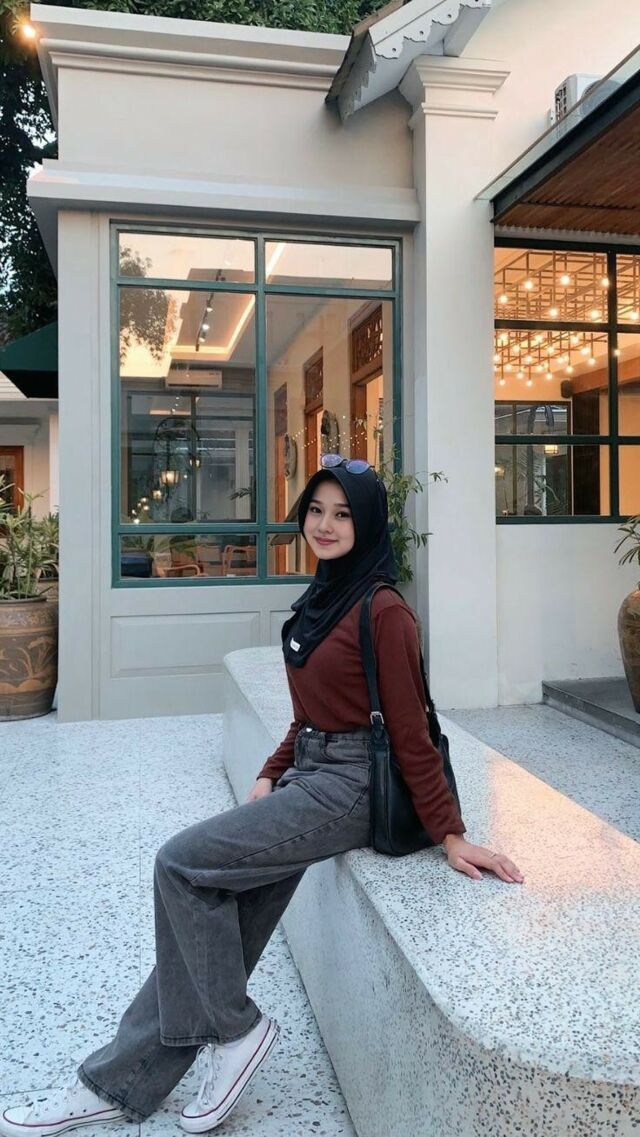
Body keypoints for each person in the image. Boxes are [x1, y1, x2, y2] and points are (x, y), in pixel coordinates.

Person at [0, 457, 523, 1137]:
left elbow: (411, 729)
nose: (326, 525)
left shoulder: (384, 610)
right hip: (312, 772)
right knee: (215, 919)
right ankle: (114, 1083)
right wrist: (273, 770)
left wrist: (451, 833)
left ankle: (237, 1032)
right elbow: (308, 714)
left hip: (350, 788)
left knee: (180, 863)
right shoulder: (323, 597)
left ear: (367, 525)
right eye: (316, 510)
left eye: (344, 514)